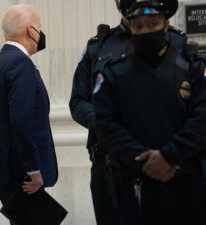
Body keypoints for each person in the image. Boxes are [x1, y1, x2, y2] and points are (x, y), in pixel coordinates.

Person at [68, 0, 187, 224]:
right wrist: (109, 122)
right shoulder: (99, 46)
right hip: (111, 164)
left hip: (168, 162)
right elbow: (78, 101)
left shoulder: (176, 41)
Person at [93, 0, 206, 225]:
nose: (145, 31)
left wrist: (168, 155)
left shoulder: (192, 68)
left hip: (186, 185)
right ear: (131, 28)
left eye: (152, 23)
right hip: (135, 186)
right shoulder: (113, 74)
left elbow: (202, 117)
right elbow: (106, 125)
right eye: (138, 26)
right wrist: (146, 160)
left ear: (165, 24)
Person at [0, 4, 58, 225]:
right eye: (40, 27)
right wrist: (33, 169)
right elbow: (21, 120)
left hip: (8, 169)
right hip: (22, 173)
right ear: (31, 30)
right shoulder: (20, 63)